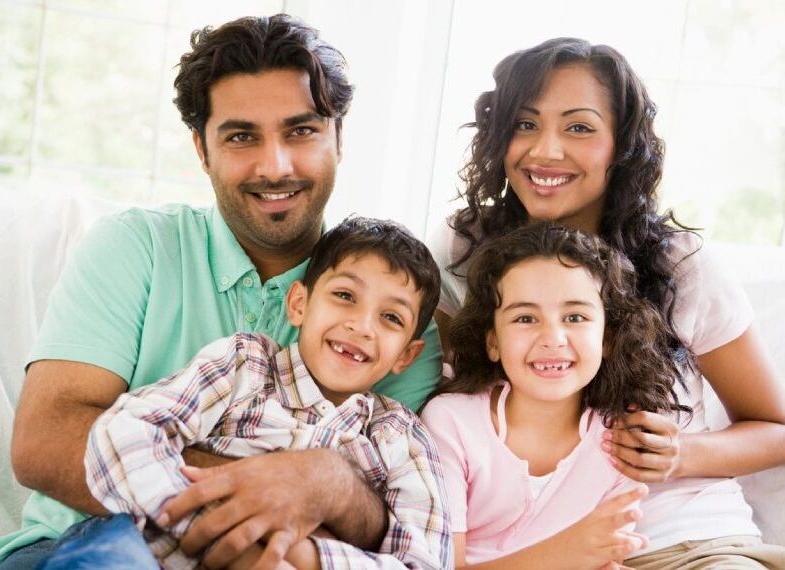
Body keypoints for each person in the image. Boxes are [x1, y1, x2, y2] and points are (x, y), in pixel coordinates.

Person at [0, 14, 443, 570]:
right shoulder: (137, 247)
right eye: (242, 136)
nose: (276, 165)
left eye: (301, 131)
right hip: (90, 542)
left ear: (338, 138)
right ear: (201, 150)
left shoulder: (398, 325)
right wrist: (251, 492)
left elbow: (394, 513)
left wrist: (331, 483)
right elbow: (44, 444)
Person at [426, 37, 785, 568]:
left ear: (621, 147)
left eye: (579, 127)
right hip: (532, 550)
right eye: (524, 124)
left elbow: (775, 429)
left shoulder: (680, 265)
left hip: (682, 541)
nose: (546, 150)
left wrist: (681, 454)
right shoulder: (464, 248)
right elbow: (437, 392)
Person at [43, 216, 452, 570]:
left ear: (407, 355)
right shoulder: (245, 364)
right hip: (149, 550)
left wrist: (302, 557)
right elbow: (125, 431)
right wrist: (213, 528)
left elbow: (423, 560)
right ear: (299, 305)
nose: (362, 326)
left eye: (391, 317)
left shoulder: (399, 437)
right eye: (345, 296)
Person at [422, 222, 683, 568]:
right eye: (526, 318)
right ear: (493, 341)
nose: (553, 338)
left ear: (607, 337)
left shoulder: (623, 438)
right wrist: (565, 554)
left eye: (575, 316)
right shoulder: (451, 422)